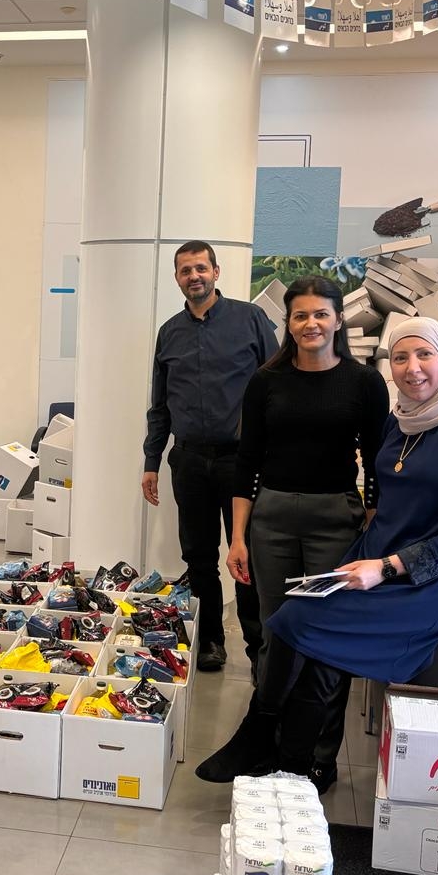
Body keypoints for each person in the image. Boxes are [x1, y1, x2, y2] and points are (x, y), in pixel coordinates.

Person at [207, 317, 438, 788]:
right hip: (375, 557)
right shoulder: (401, 420)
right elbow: (382, 496)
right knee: (291, 620)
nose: (412, 368)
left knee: (308, 634)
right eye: (400, 357)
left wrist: (386, 568)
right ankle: (282, 755)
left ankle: (276, 752)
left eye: (424, 355)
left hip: (433, 579)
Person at [198, 276, 388, 783]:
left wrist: (371, 529)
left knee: (324, 639)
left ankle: (318, 757)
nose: (311, 324)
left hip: (335, 521)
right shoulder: (266, 381)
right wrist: (238, 537)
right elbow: (247, 462)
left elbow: (376, 462)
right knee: (275, 633)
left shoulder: (364, 383)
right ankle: (270, 745)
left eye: (321, 314)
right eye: (301, 315)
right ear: (288, 322)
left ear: (338, 319)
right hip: (273, 520)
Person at [142, 241, 278, 672]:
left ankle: (259, 650)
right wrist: (151, 461)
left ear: (216, 272)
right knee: (198, 557)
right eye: (185, 270)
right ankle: (211, 642)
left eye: (201, 268)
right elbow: (160, 405)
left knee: (248, 556)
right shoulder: (169, 333)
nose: (194, 276)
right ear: (177, 278)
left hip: (243, 462)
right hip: (189, 461)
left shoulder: (250, 319)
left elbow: (278, 388)